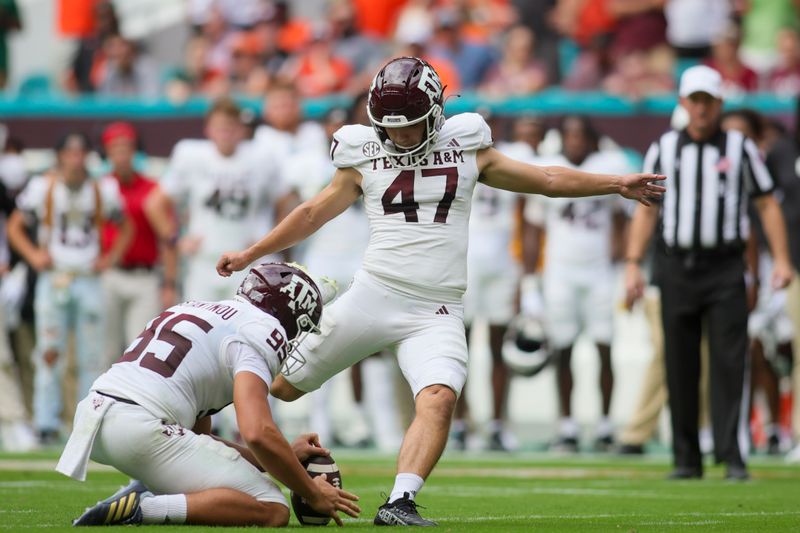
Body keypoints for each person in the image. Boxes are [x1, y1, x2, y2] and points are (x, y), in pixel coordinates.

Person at [217, 57, 664, 525]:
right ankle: (195, 424)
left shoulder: (467, 142)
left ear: (435, 111)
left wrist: (615, 184)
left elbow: (546, 179)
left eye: (413, 125)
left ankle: (400, 501)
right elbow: (312, 213)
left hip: (437, 307)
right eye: (395, 128)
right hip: (375, 293)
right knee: (281, 386)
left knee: (440, 396)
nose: (404, 137)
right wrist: (252, 253)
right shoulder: (361, 149)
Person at [56, 262, 360, 527]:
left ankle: (144, 492)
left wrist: (279, 459)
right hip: (141, 426)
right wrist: (311, 491)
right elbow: (257, 431)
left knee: (223, 481)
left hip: (95, 417)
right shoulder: (264, 329)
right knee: (272, 507)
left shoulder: (196, 308)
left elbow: (199, 441)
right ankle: (144, 507)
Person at [624, 66, 793, 480]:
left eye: (707, 100)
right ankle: (686, 458)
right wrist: (632, 263)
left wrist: (782, 259)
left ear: (718, 104)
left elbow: (766, 203)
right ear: (683, 103)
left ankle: (732, 454)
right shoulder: (663, 147)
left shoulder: (740, 147)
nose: (700, 108)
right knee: (679, 363)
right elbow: (647, 210)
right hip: (676, 265)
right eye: (693, 100)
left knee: (730, 361)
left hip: (724, 267)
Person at [7, 132, 132, 444]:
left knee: (92, 354)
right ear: (60, 156)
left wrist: (110, 257)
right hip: (56, 275)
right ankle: (46, 422)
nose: (75, 159)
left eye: (81, 153)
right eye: (70, 153)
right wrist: (34, 255)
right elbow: (15, 225)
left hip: (88, 276)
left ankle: (86, 419)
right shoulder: (43, 187)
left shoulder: (103, 189)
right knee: (49, 351)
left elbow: (125, 224)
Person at [526, 115, 634, 452]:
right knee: (563, 348)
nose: (575, 141)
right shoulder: (549, 168)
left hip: (600, 271)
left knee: (605, 347)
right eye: (569, 135)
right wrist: (531, 279)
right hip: (560, 272)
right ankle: (567, 425)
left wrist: (623, 263)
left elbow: (622, 219)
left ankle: (604, 425)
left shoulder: (609, 166)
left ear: (592, 139)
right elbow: (533, 226)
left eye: (580, 134)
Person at [162, 97, 291, 301]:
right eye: (219, 127)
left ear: (241, 129)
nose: (225, 134)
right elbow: (156, 203)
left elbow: (285, 200)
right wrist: (177, 239)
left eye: (230, 127)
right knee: (199, 326)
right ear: (208, 130)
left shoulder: (261, 157)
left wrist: (269, 238)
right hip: (204, 261)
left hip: (248, 262)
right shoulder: (191, 155)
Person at [100, 122, 178, 364]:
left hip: (144, 276)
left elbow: (168, 239)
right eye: (116, 149)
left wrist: (169, 283)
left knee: (140, 352)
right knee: (104, 351)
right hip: (108, 275)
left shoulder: (153, 189)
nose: (122, 155)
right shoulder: (100, 188)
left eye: (127, 148)